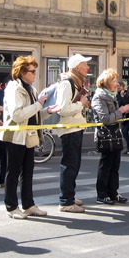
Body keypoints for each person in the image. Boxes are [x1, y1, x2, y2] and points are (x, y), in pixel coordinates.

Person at [0, 56, 58, 219]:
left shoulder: (31, 89)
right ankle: (11, 207)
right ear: (22, 72)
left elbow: (34, 114)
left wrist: (47, 111)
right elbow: (18, 115)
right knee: (13, 172)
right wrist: (39, 105)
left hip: (29, 136)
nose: (34, 74)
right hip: (16, 136)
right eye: (32, 71)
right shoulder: (14, 89)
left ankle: (29, 205)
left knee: (28, 172)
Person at [52, 54, 90, 213]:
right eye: (84, 65)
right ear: (76, 67)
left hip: (75, 128)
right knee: (69, 165)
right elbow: (63, 109)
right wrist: (80, 105)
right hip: (69, 129)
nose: (87, 68)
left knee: (74, 165)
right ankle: (66, 201)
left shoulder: (73, 82)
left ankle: (69, 196)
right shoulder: (67, 84)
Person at [91, 69, 129, 205]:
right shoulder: (99, 96)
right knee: (106, 165)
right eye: (114, 81)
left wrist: (124, 110)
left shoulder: (111, 95)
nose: (117, 84)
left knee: (115, 165)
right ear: (106, 83)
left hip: (115, 133)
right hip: (106, 135)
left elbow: (113, 115)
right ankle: (102, 194)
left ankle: (113, 192)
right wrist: (121, 111)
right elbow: (105, 118)